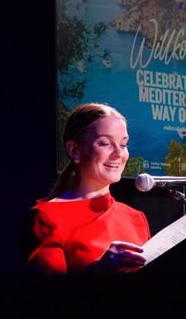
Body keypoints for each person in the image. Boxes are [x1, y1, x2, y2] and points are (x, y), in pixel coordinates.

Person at [24, 102, 151, 274]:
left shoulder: (136, 218)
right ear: (75, 150)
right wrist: (99, 269)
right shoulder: (46, 217)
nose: (119, 154)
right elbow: (48, 296)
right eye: (105, 143)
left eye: (123, 144)